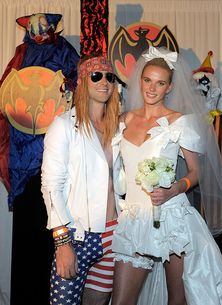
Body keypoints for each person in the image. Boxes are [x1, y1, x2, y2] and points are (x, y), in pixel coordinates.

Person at [110, 46, 222, 305]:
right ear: (140, 81)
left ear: (169, 87)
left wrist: (174, 189)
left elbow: (196, 173)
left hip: (172, 219)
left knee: (177, 300)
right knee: (121, 301)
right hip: (133, 219)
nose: (152, 88)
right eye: (147, 80)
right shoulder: (124, 120)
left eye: (160, 83)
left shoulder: (181, 122)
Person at [41, 54, 122, 305]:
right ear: (83, 81)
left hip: (113, 233)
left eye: (109, 77)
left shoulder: (118, 127)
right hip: (76, 237)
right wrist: (62, 243)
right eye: (96, 76)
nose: (104, 82)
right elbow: (51, 186)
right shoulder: (64, 126)